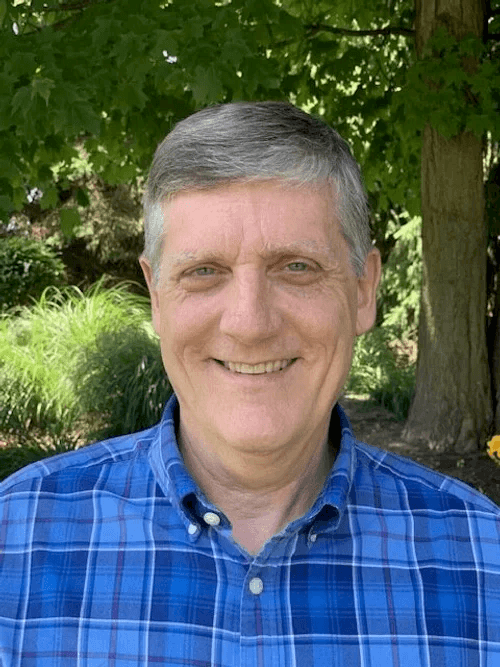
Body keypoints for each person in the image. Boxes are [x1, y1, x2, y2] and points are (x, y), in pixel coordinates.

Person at [0, 101, 499, 667]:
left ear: (364, 291)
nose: (250, 323)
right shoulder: (16, 542)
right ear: (157, 296)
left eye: (296, 267)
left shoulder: (483, 560)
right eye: (203, 272)